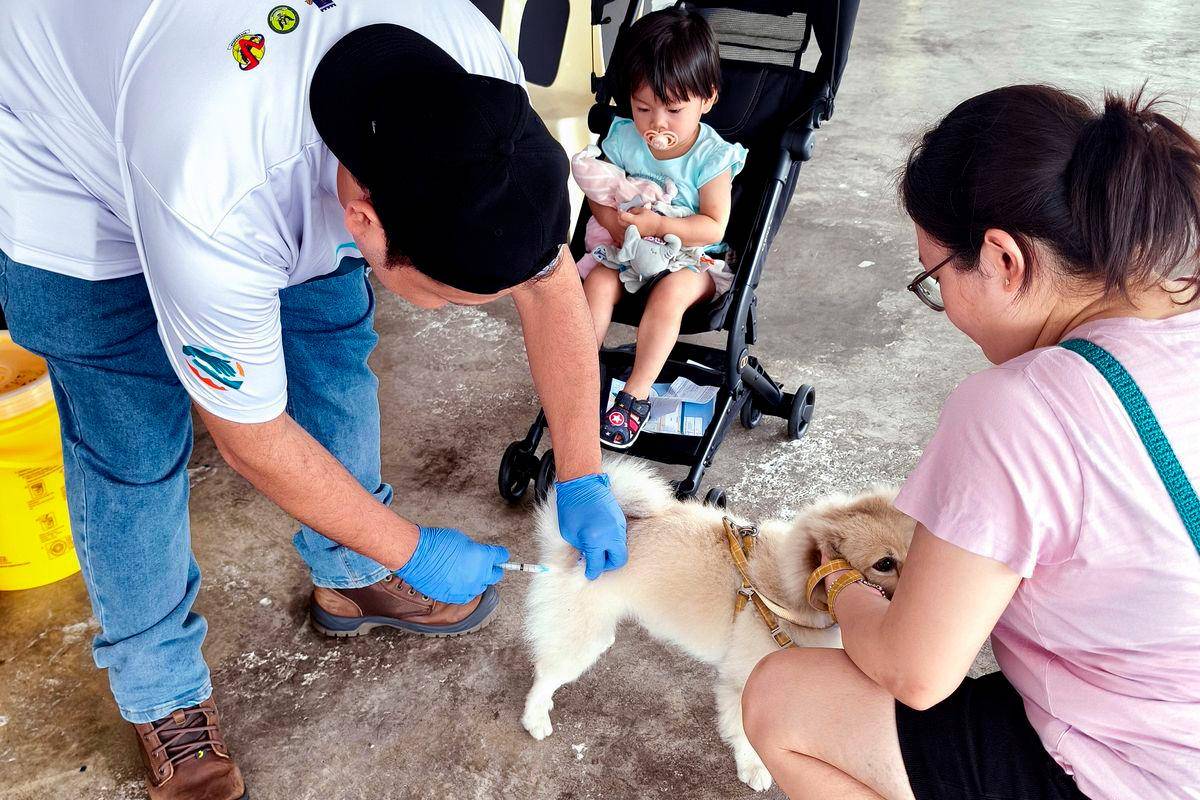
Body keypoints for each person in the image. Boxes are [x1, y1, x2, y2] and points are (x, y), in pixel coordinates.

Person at [0, 3, 627, 798]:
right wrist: (414, 547)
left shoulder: (472, 81)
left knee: (330, 345)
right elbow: (249, 435)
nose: (445, 312)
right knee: (129, 437)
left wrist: (582, 472)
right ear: (363, 217)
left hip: (231, 115)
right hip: (71, 146)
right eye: (442, 299)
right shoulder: (214, 188)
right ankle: (162, 693)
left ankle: (352, 570)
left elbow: (547, 282)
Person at [741, 85, 1200, 800]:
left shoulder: (1022, 406)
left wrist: (847, 587)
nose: (943, 306)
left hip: (1145, 773)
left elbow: (917, 672)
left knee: (782, 698)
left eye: (935, 279)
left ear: (1004, 259)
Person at [575, 8, 746, 448]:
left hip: (692, 258)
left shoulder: (710, 157)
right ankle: (577, 378)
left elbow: (712, 225)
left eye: (673, 109)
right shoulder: (624, 137)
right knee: (596, 282)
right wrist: (617, 226)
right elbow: (599, 189)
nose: (657, 123)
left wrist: (658, 224)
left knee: (671, 293)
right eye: (643, 107)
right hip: (626, 247)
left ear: (707, 98)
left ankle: (635, 395)